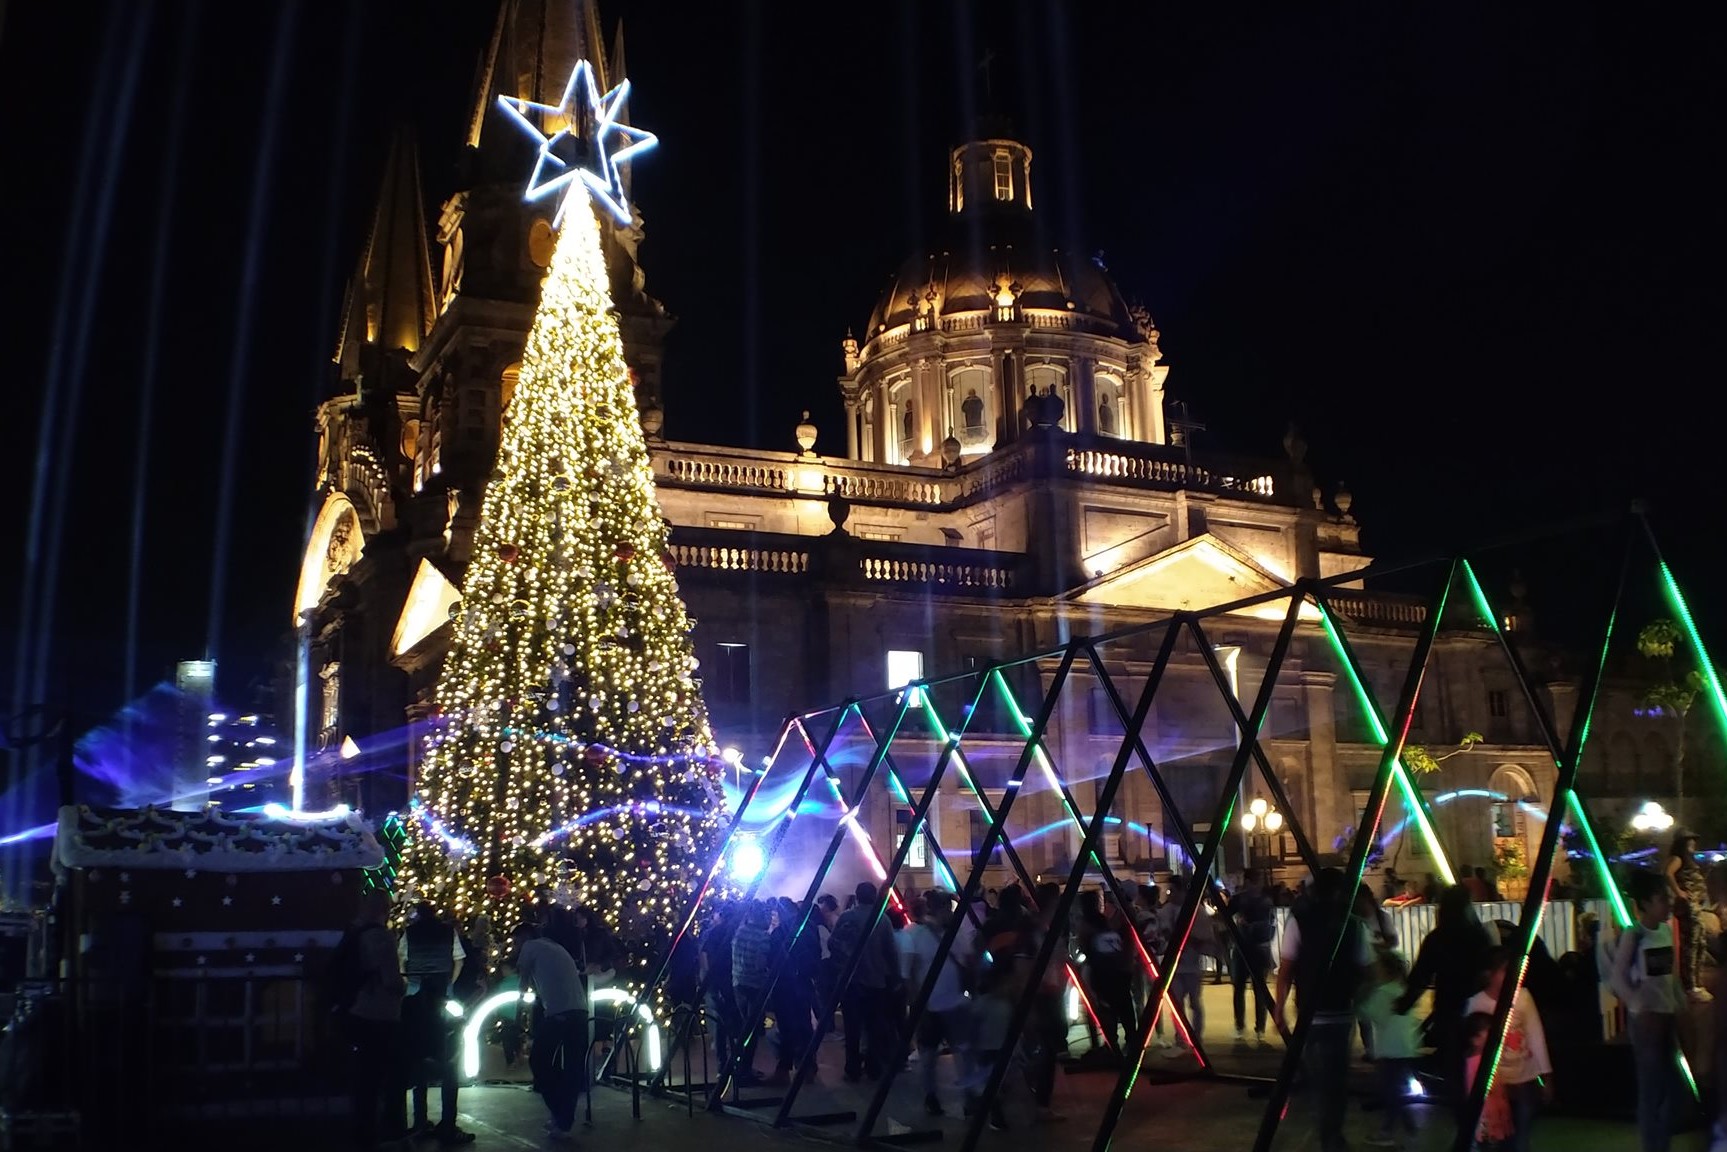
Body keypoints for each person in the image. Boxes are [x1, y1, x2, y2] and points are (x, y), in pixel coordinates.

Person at [1275, 868, 1372, 1152]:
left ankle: (1326, 1133)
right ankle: (1333, 1134)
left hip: (1311, 1012)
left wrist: (1280, 1007)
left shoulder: (1300, 920)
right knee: (1338, 1076)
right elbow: (1368, 970)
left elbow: (1287, 969)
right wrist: (1359, 998)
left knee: (1319, 1078)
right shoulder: (1354, 924)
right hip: (1342, 1010)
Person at [1395, 884, 1494, 1101]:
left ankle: (1461, 1109)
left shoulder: (1437, 938)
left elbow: (1421, 976)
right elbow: (1489, 972)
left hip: (1448, 1008)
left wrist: (1404, 1003)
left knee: (1455, 1066)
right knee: (1481, 1063)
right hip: (1477, 1008)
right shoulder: (1479, 936)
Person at [1610, 869, 1683, 1152]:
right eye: (1662, 898)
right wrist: (1640, 1007)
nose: (1668, 902)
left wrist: (1677, 1002)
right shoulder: (1634, 935)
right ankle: (1653, 1146)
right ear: (1647, 902)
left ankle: (1659, 1142)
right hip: (1647, 1023)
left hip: (1667, 1016)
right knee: (1651, 1089)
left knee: (1672, 1088)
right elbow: (1618, 978)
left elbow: (1670, 974)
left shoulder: (1665, 929)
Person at [399, 902, 475, 1145]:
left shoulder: (409, 932)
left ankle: (420, 1122)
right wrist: (449, 984)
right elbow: (459, 960)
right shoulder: (447, 931)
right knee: (449, 1059)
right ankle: (448, 1124)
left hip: (415, 992)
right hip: (443, 992)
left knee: (419, 1056)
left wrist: (409, 983)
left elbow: (401, 959)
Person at [1463, 947, 1552, 1152]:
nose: (1512, 976)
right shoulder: (1476, 1003)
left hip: (1524, 1079)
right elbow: (1469, 1049)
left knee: (1521, 1137)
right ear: (1490, 974)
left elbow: (1535, 1035)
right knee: (1500, 1139)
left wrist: (1546, 1076)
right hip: (1495, 1086)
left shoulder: (1523, 997)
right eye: (1505, 971)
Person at [513, 921, 588, 1142]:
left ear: (524, 937)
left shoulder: (530, 947)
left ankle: (560, 1114)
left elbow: (523, 983)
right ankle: (563, 1119)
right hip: (580, 1011)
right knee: (572, 1068)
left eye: (516, 942)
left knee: (539, 1062)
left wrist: (518, 1019)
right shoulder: (555, 947)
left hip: (559, 1014)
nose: (515, 947)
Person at [903, 890, 975, 1116]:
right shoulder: (955, 934)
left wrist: (916, 1003)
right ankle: (967, 1100)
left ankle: (931, 1097)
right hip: (951, 1003)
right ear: (941, 909)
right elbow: (969, 961)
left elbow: (908, 973)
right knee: (961, 1054)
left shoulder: (913, 934)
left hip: (931, 1005)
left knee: (929, 1056)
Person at [345, 889, 407, 1150]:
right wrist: (403, 986)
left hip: (356, 1011)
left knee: (364, 1077)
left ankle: (362, 1131)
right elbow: (391, 981)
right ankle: (383, 1132)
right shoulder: (381, 938)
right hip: (380, 1014)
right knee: (383, 1076)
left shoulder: (353, 934)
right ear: (385, 908)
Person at [1356, 949, 1421, 1148]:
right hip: (1406, 1048)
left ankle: (1387, 1131)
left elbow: (1366, 1013)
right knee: (1398, 1089)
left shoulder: (1383, 993)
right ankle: (1409, 1125)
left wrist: (1360, 995)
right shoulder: (1403, 990)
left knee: (1390, 1091)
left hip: (1390, 1050)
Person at [1664, 829, 1713, 1003]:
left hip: (1696, 907)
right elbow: (1668, 873)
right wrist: (1679, 892)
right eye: (1689, 840)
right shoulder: (1678, 859)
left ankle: (1696, 984)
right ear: (1682, 843)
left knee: (1699, 943)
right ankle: (1690, 985)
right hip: (1689, 908)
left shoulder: (1688, 860)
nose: (1693, 843)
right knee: (1691, 945)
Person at [1230, 869, 1277, 1047]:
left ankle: (1246, 1027)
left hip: (1247, 947)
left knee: (1246, 989)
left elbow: (1225, 916)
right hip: (1255, 948)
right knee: (1255, 990)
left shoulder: (1243, 899)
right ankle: (1256, 1029)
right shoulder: (1265, 901)